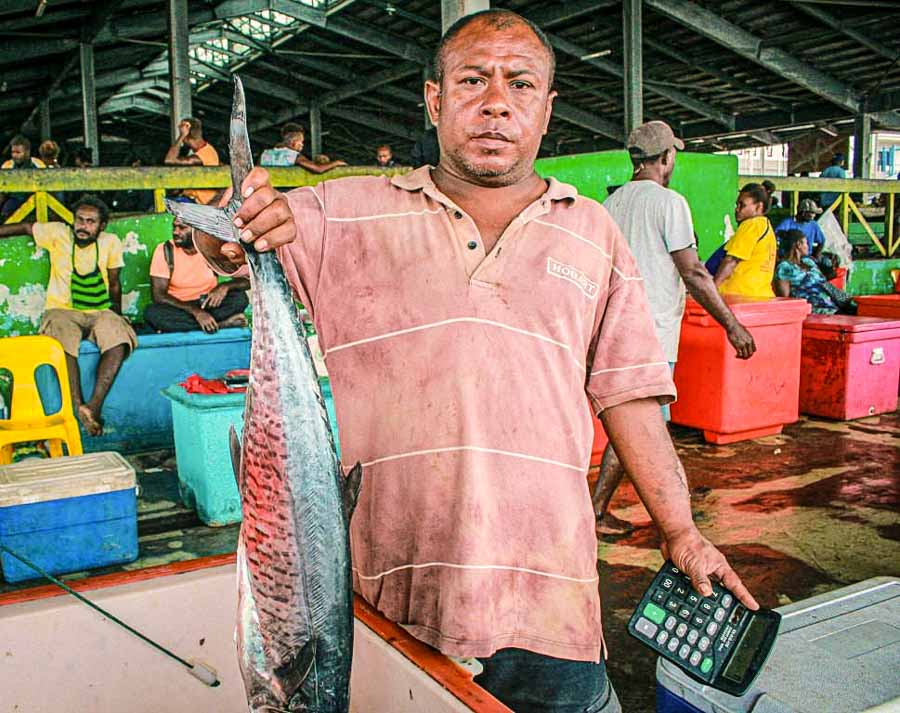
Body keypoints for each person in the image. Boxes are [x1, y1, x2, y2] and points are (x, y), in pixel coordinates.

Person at [200, 10, 758, 712]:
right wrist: (231, 235)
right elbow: (237, 245)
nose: (496, 102)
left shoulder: (594, 231)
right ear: (434, 99)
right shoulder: (342, 213)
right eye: (472, 79)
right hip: (392, 607)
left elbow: (630, 397)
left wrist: (681, 531)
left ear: (547, 111)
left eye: (520, 84)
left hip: (552, 604)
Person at [595, 121, 756, 532]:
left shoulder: (610, 206)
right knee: (643, 427)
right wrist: (732, 326)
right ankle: (612, 513)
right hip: (651, 334)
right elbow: (695, 273)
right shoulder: (669, 203)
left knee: (634, 423)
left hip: (614, 329)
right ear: (666, 158)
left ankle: (666, 514)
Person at [0, 195, 136, 436]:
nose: (83, 226)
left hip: (99, 310)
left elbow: (114, 285)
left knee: (119, 339)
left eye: (90, 222)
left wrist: (117, 316)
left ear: (102, 226)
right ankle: (77, 404)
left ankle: (93, 406)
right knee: (62, 342)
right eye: (80, 220)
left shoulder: (111, 242)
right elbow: (23, 226)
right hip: (62, 310)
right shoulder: (57, 233)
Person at [144, 215, 249, 333]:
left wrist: (225, 286)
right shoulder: (164, 250)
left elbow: (247, 281)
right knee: (152, 313)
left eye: (182, 228)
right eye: (174, 227)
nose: (175, 232)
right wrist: (196, 313)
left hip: (208, 303)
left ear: (196, 230)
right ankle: (221, 325)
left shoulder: (212, 248)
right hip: (179, 307)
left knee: (240, 298)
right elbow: (158, 295)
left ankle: (201, 324)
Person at [715, 183, 777, 298]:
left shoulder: (751, 224)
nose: (737, 209)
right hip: (760, 295)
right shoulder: (766, 227)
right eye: (736, 205)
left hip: (738, 294)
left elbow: (730, 261)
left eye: (742, 205)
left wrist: (711, 291)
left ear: (758, 207)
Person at [774, 230, 856, 314]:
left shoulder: (809, 261)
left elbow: (823, 281)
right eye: (806, 243)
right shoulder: (784, 267)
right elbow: (785, 298)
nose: (808, 246)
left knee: (860, 308)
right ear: (799, 244)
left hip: (833, 302)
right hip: (815, 309)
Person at [164, 117, 220, 205]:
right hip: (190, 199)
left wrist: (181, 136)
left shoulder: (204, 155)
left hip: (199, 202)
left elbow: (169, 160)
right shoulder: (204, 150)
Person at [259, 122, 347, 174]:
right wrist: (337, 163)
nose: (302, 145)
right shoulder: (294, 156)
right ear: (293, 143)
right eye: (301, 141)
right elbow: (318, 169)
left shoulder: (265, 154)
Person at [0, 135, 46, 218]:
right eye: (13, 152)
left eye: (18, 152)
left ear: (27, 152)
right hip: (14, 200)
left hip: (36, 199)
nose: (14, 155)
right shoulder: (7, 166)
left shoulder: (38, 164)